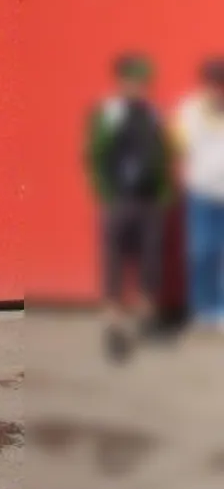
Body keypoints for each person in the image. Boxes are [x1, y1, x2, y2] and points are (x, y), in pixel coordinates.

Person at [85, 53, 171, 359]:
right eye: (132, 80)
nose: (138, 86)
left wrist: (162, 194)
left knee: (149, 260)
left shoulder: (152, 113)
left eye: (142, 81)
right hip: (119, 200)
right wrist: (106, 195)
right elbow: (95, 155)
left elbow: (163, 152)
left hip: (149, 201)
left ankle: (143, 321)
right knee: (115, 261)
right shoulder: (109, 112)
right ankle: (114, 325)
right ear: (122, 81)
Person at [176, 56, 224, 331]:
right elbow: (181, 144)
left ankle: (219, 309)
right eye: (213, 83)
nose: (218, 90)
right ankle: (201, 307)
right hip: (202, 194)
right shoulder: (191, 110)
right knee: (202, 250)